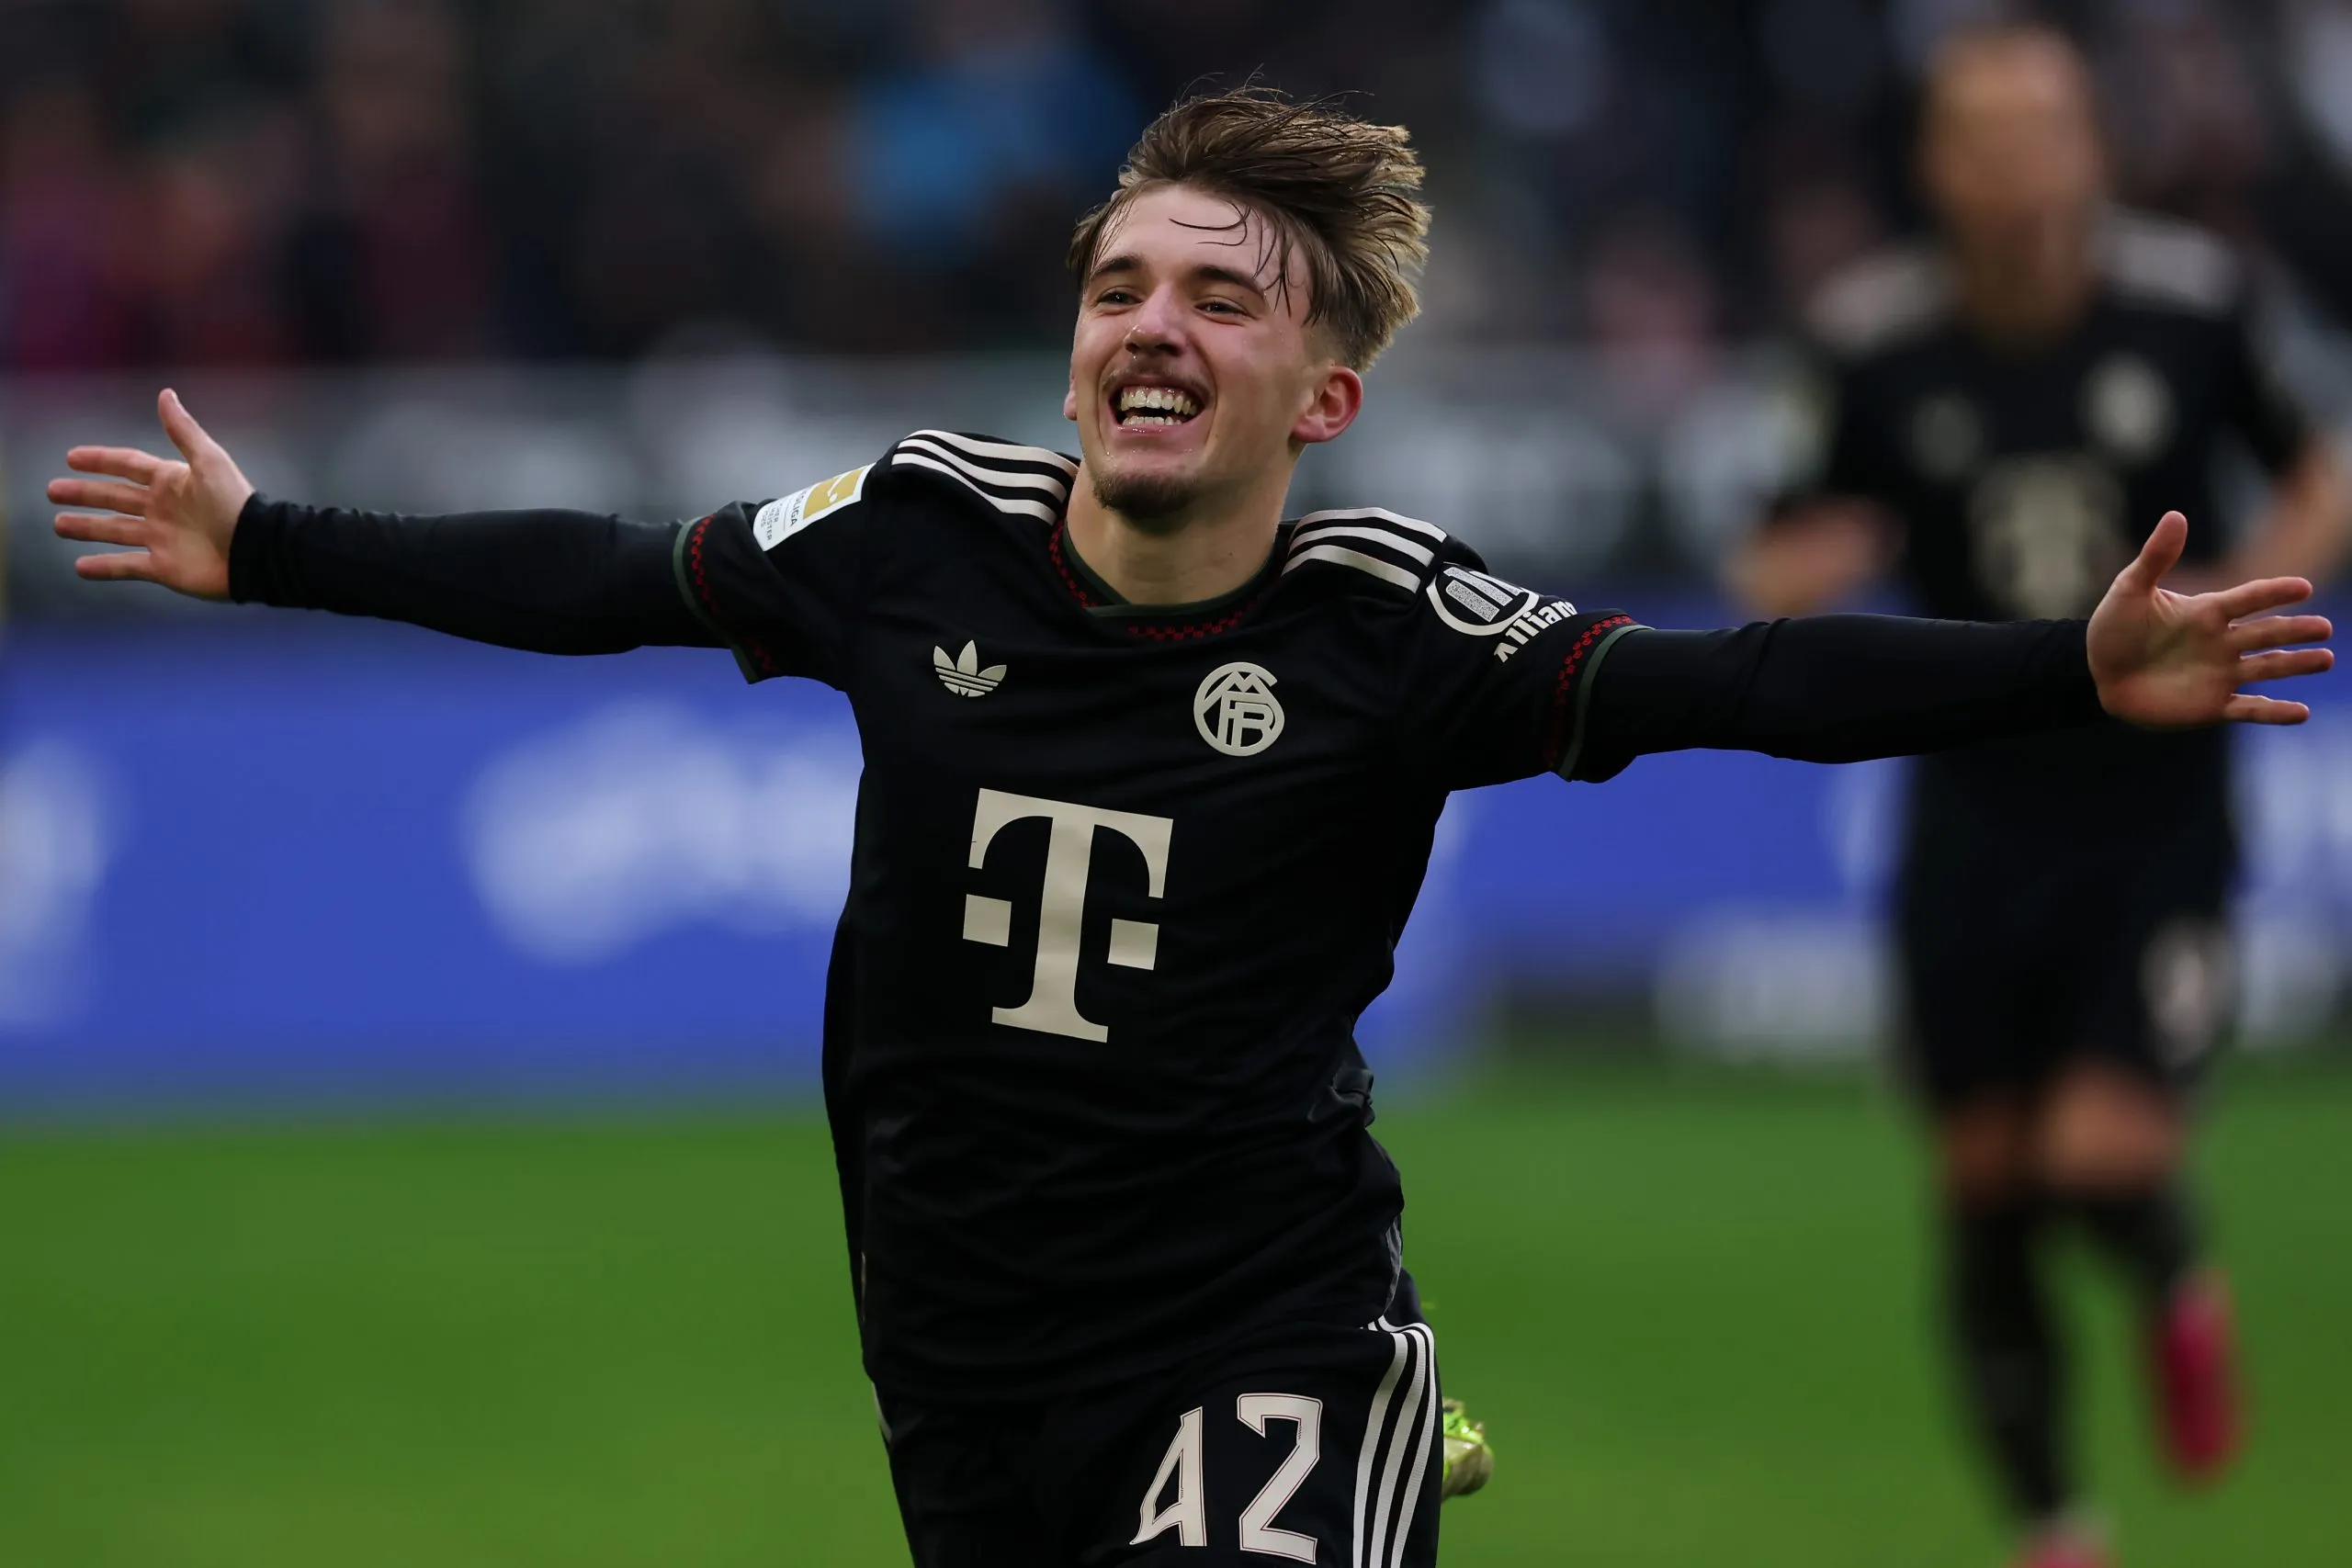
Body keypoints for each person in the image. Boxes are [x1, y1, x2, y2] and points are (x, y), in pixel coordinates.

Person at [53, 90, 2329, 1568]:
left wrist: (2063, 662)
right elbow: (605, 577)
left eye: (1219, 299)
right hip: (954, 1354)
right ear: (1071, 353)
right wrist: (277, 545)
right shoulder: (916, 534)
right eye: (1117, 285)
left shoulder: (1389, 627)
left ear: (1316, 397)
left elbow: (1725, 680)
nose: (1151, 324)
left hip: (1263, 1342)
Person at [1734, 27, 2349, 1568]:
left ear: (2093, 148)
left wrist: (2242, 585)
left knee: (2099, 1157)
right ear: (1935, 166)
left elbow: (2322, 468)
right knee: (1985, 1185)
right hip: (1972, 813)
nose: (2014, 163)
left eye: (2043, 128)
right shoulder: (1870, 340)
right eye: (1981, 135)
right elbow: (1773, 543)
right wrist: (1817, 572)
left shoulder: (2197, 306)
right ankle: (2054, 1529)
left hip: (2154, 813)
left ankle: (2174, 1272)